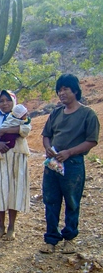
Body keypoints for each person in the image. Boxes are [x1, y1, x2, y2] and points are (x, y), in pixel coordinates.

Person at [40, 74, 100, 254]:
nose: (62, 93)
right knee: (51, 201)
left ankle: (70, 238)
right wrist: (48, 147)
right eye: (59, 90)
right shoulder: (56, 113)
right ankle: (51, 239)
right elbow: (46, 135)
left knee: (72, 202)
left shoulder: (87, 114)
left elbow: (92, 141)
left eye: (66, 89)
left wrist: (69, 152)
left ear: (75, 90)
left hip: (73, 164)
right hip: (52, 164)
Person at [0, 90, 31, 241]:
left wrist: (4, 130)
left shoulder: (22, 116)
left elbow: (26, 130)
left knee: (13, 191)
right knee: (0, 191)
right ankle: (1, 226)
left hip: (16, 158)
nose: (4, 103)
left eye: (7, 100)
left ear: (14, 101)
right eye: (1, 101)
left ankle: (12, 227)